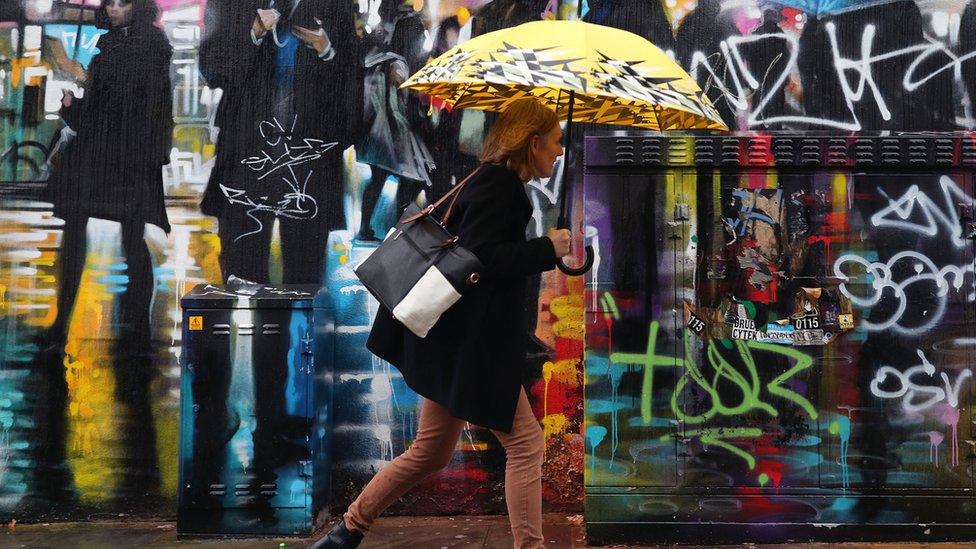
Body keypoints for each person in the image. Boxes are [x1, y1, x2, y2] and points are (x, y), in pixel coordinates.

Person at [310, 97, 572, 549]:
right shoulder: (500, 186)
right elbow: (483, 258)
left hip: (455, 343)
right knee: (526, 445)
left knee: (429, 452)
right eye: (554, 142)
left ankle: (347, 530)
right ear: (532, 143)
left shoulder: (492, 180)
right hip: (476, 349)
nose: (560, 151)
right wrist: (546, 248)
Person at [38, 0, 173, 503]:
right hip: (123, 157)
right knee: (118, 238)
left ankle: (101, 326)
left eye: (120, 3)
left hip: (117, 156)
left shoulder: (134, 48)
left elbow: (121, 106)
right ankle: (124, 328)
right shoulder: (140, 46)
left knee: (104, 236)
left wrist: (78, 94)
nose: (112, 10)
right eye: (109, 3)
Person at [198, 0, 360, 284]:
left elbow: (351, 76)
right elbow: (212, 68)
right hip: (248, 154)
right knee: (242, 269)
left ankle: (298, 328)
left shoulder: (335, 5)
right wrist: (254, 33)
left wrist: (326, 51)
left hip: (308, 157)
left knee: (304, 273)